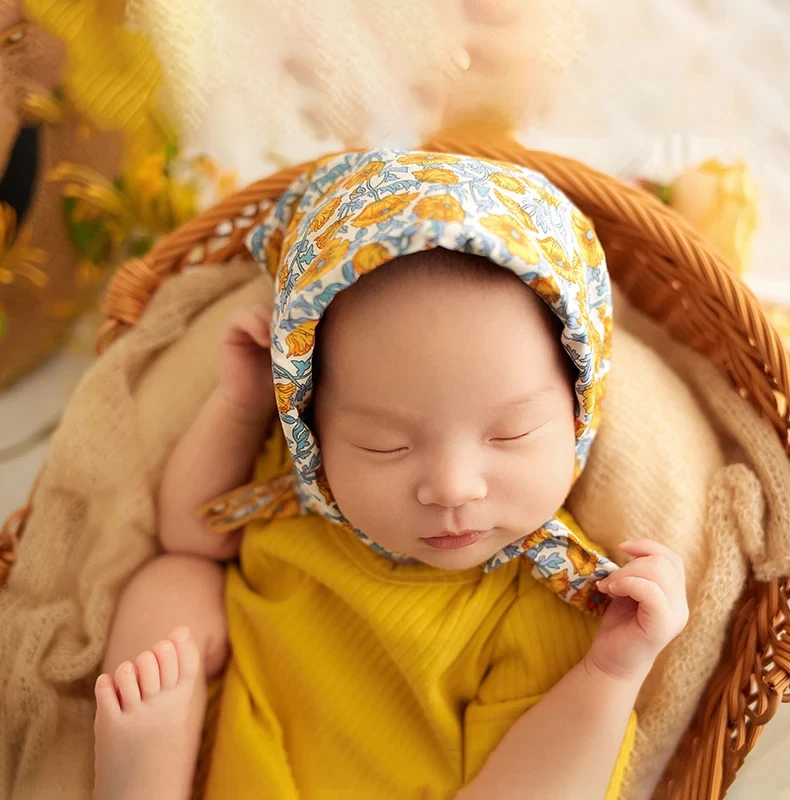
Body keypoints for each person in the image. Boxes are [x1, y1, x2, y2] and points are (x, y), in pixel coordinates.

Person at [92, 150, 688, 800]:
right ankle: (144, 778)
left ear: (580, 406)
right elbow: (190, 532)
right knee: (171, 583)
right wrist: (239, 406)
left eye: (510, 434)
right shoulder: (309, 495)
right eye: (386, 445)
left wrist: (611, 672)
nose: (453, 487)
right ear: (312, 424)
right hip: (227, 765)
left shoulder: (540, 605)